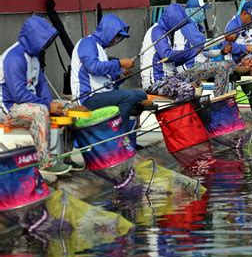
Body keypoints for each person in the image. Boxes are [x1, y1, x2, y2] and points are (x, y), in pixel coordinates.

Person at [0, 16, 72, 175]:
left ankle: (65, 156)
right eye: (43, 41)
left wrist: (52, 104)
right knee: (41, 111)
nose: (45, 45)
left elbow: (42, 85)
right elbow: (18, 95)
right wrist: (46, 106)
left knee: (67, 107)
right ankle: (45, 162)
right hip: (8, 109)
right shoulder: (14, 57)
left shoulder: (35, 57)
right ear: (33, 38)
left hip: (30, 105)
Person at [141, 3, 235, 101]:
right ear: (172, 21)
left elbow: (176, 61)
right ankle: (181, 114)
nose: (179, 27)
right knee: (189, 90)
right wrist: (192, 52)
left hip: (171, 76)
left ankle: (218, 101)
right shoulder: (157, 32)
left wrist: (195, 52)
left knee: (208, 77)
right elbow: (167, 56)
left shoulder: (167, 32)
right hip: (156, 82)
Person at [71, 14, 147, 129]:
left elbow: (106, 82)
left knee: (141, 95)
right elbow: (93, 68)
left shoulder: (100, 49)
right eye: (116, 36)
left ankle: (124, 133)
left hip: (101, 95)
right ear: (108, 31)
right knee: (129, 96)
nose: (116, 40)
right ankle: (117, 133)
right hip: (88, 98)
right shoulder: (87, 43)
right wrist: (120, 63)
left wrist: (121, 75)